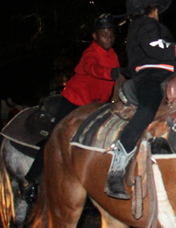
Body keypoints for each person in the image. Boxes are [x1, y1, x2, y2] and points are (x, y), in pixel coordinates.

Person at [105, 0, 176, 199]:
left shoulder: (141, 29)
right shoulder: (147, 24)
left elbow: (145, 55)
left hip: (166, 76)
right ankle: (116, 170)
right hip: (151, 77)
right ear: (153, 9)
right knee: (147, 110)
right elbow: (153, 47)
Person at [22, 14, 122, 192]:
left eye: (111, 34)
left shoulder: (113, 55)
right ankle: (31, 179)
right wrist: (111, 73)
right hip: (75, 101)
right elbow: (92, 69)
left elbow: (117, 81)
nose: (109, 38)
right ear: (95, 36)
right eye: (104, 34)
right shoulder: (90, 53)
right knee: (54, 138)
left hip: (96, 106)